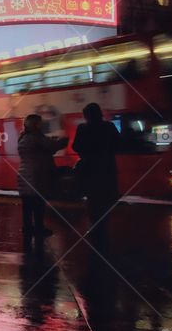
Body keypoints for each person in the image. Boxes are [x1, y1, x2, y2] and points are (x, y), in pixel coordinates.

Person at [72, 103, 121, 240]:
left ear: (86, 116)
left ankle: (94, 228)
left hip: (90, 169)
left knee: (93, 201)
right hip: (107, 168)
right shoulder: (109, 127)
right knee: (105, 200)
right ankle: (103, 229)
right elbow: (119, 144)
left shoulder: (82, 128)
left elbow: (76, 146)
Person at [17, 114, 69, 242]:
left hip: (24, 176)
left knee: (27, 207)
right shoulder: (36, 137)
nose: (42, 125)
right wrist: (64, 139)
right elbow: (52, 146)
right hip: (36, 177)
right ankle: (39, 229)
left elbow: (43, 150)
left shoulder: (23, 138)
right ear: (35, 124)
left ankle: (28, 229)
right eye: (40, 123)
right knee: (38, 205)